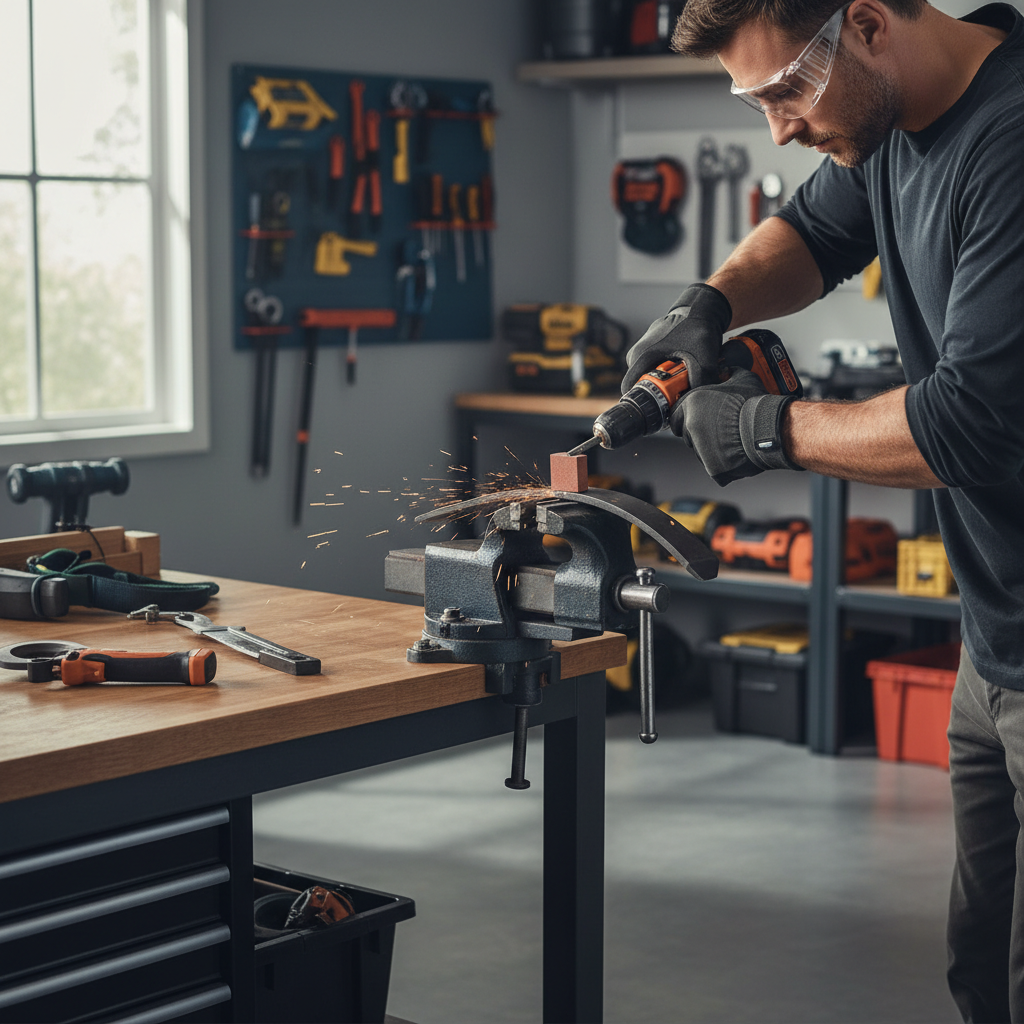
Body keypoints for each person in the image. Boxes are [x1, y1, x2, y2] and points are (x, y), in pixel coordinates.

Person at [622, 0, 1024, 1018]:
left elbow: (965, 425)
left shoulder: (1011, 143)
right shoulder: (890, 124)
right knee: (978, 971)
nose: (779, 128)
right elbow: (809, 231)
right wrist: (706, 305)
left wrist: (770, 429)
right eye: (753, 101)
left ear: (867, 22)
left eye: (785, 91)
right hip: (996, 634)